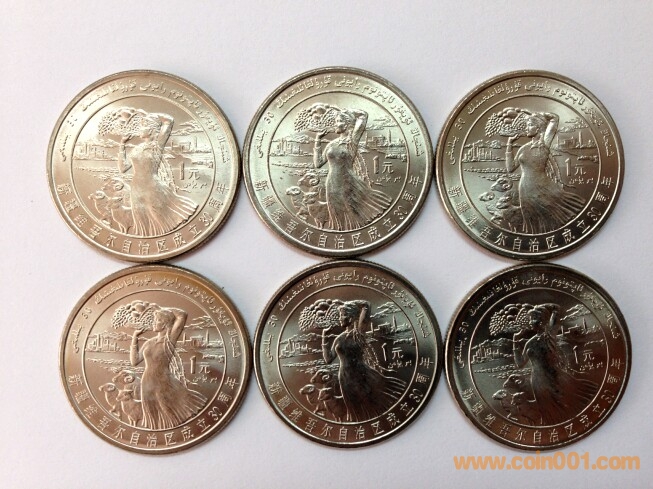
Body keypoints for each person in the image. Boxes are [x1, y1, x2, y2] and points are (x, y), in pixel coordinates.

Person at [106, 107, 197, 236]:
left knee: (158, 216)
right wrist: (122, 144)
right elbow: (123, 168)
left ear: (151, 129)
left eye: (143, 126)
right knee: (141, 218)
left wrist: (149, 114)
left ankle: (165, 239)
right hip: (136, 189)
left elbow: (169, 121)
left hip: (153, 188)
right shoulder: (137, 148)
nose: (140, 129)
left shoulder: (157, 145)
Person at [512, 303, 597, 425]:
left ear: (541, 320)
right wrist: (515, 341)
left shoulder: (549, 336)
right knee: (546, 409)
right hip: (537, 381)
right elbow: (520, 364)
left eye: (533, 318)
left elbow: (557, 309)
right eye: (530, 319)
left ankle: (569, 424)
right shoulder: (529, 343)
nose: (530, 322)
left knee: (562, 404)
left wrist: (543, 307)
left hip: (553, 377)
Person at [321, 300, 405, 422]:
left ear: (350, 317)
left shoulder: (358, 333)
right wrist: (324, 337)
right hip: (344, 378)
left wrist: (349, 303)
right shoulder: (338, 339)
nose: (339, 318)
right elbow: (328, 359)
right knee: (353, 407)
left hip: (361, 375)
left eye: (342, 315)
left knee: (368, 403)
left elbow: (366, 305)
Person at [505, 112, 585, 234]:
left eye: (530, 125)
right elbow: (510, 168)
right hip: (525, 189)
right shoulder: (523, 148)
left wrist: (539, 114)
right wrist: (509, 144)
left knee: (550, 216)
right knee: (530, 218)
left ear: (538, 128)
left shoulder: (544, 144)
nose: (527, 128)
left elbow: (555, 118)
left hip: (542, 187)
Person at [129, 303, 206, 430]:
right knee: (151, 412)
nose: (154, 323)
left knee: (168, 410)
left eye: (157, 320)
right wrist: (135, 337)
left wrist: (162, 309)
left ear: (165, 324)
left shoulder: (169, 340)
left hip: (163, 381)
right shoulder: (149, 343)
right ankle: (156, 432)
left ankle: (176, 431)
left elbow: (182, 315)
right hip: (147, 382)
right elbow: (134, 361)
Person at [313, 107, 391, 231]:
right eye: (336, 121)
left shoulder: (352, 142)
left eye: (339, 121)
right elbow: (318, 163)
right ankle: (339, 232)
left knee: (350, 209)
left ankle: (353, 231)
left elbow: (363, 115)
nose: (336, 124)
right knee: (335, 210)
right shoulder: (331, 144)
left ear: (347, 124)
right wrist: (318, 140)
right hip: (331, 183)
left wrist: (347, 111)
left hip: (347, 182)